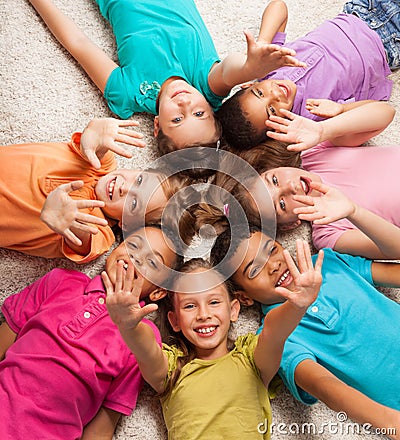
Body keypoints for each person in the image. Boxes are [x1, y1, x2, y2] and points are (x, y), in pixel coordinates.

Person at [27, 0, 305, 154]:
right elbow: (230, 70)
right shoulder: (206, 84)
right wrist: (248, 69)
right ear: (211, 106)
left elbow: (78, 43)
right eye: (199, 113)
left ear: (157, 125)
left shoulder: (128, 93)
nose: (186, 105)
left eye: (177, 119)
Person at [103, 255, 323, 439]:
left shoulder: (251, 358)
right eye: (190, 306)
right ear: (175, 321)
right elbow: (147, 349)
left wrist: (296, 307)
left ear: (234, 310)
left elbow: (274, 332)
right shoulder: (171, 368)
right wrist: (129, 326)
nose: (203, 314)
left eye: (214, 302)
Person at [211, 228, 400, 439]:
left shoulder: (328, 262)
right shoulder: (276, 339)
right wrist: (390, 422)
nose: (273, 265)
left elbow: (394, 274)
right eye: (254, 270)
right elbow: (324, 386)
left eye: (272, 250)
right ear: (244, 298)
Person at [0, 224, 183, 440]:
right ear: (114, 248)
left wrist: (131, 328)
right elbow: (6, 337)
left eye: (152, 262)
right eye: (133, 245)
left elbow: (103, 426)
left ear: (158, 292)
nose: (137, 258)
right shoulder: (59, 280)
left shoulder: (141, 337)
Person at [0, 117, 189, 263]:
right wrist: (98, 129)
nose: (126, 188)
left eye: (134, 203)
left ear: (126, 224)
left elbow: (84, 243)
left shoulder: (100, 230)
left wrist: (72, 223)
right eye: (139, 180)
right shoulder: (100, 164)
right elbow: (95, 146)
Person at [217, 0, 399, 150]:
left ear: (248, 85)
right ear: (278, 129)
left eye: (260, 93)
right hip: (391, 43)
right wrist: (341, 111)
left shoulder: (266, 68)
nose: (275, 94)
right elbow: (384, 112)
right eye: (272, 110)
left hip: (360, 10)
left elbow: (279, 7)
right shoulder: (312, 120)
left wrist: (262, 42)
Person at [229, 101, 400, 259]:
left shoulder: (313, 153)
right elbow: (397, 250)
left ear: (275, 168)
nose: (290, 186)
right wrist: (354, 212)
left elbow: (385, 112)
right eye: (281, 203)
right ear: (290, 225)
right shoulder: (327, 234)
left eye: (274, 180)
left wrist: (326, 128)